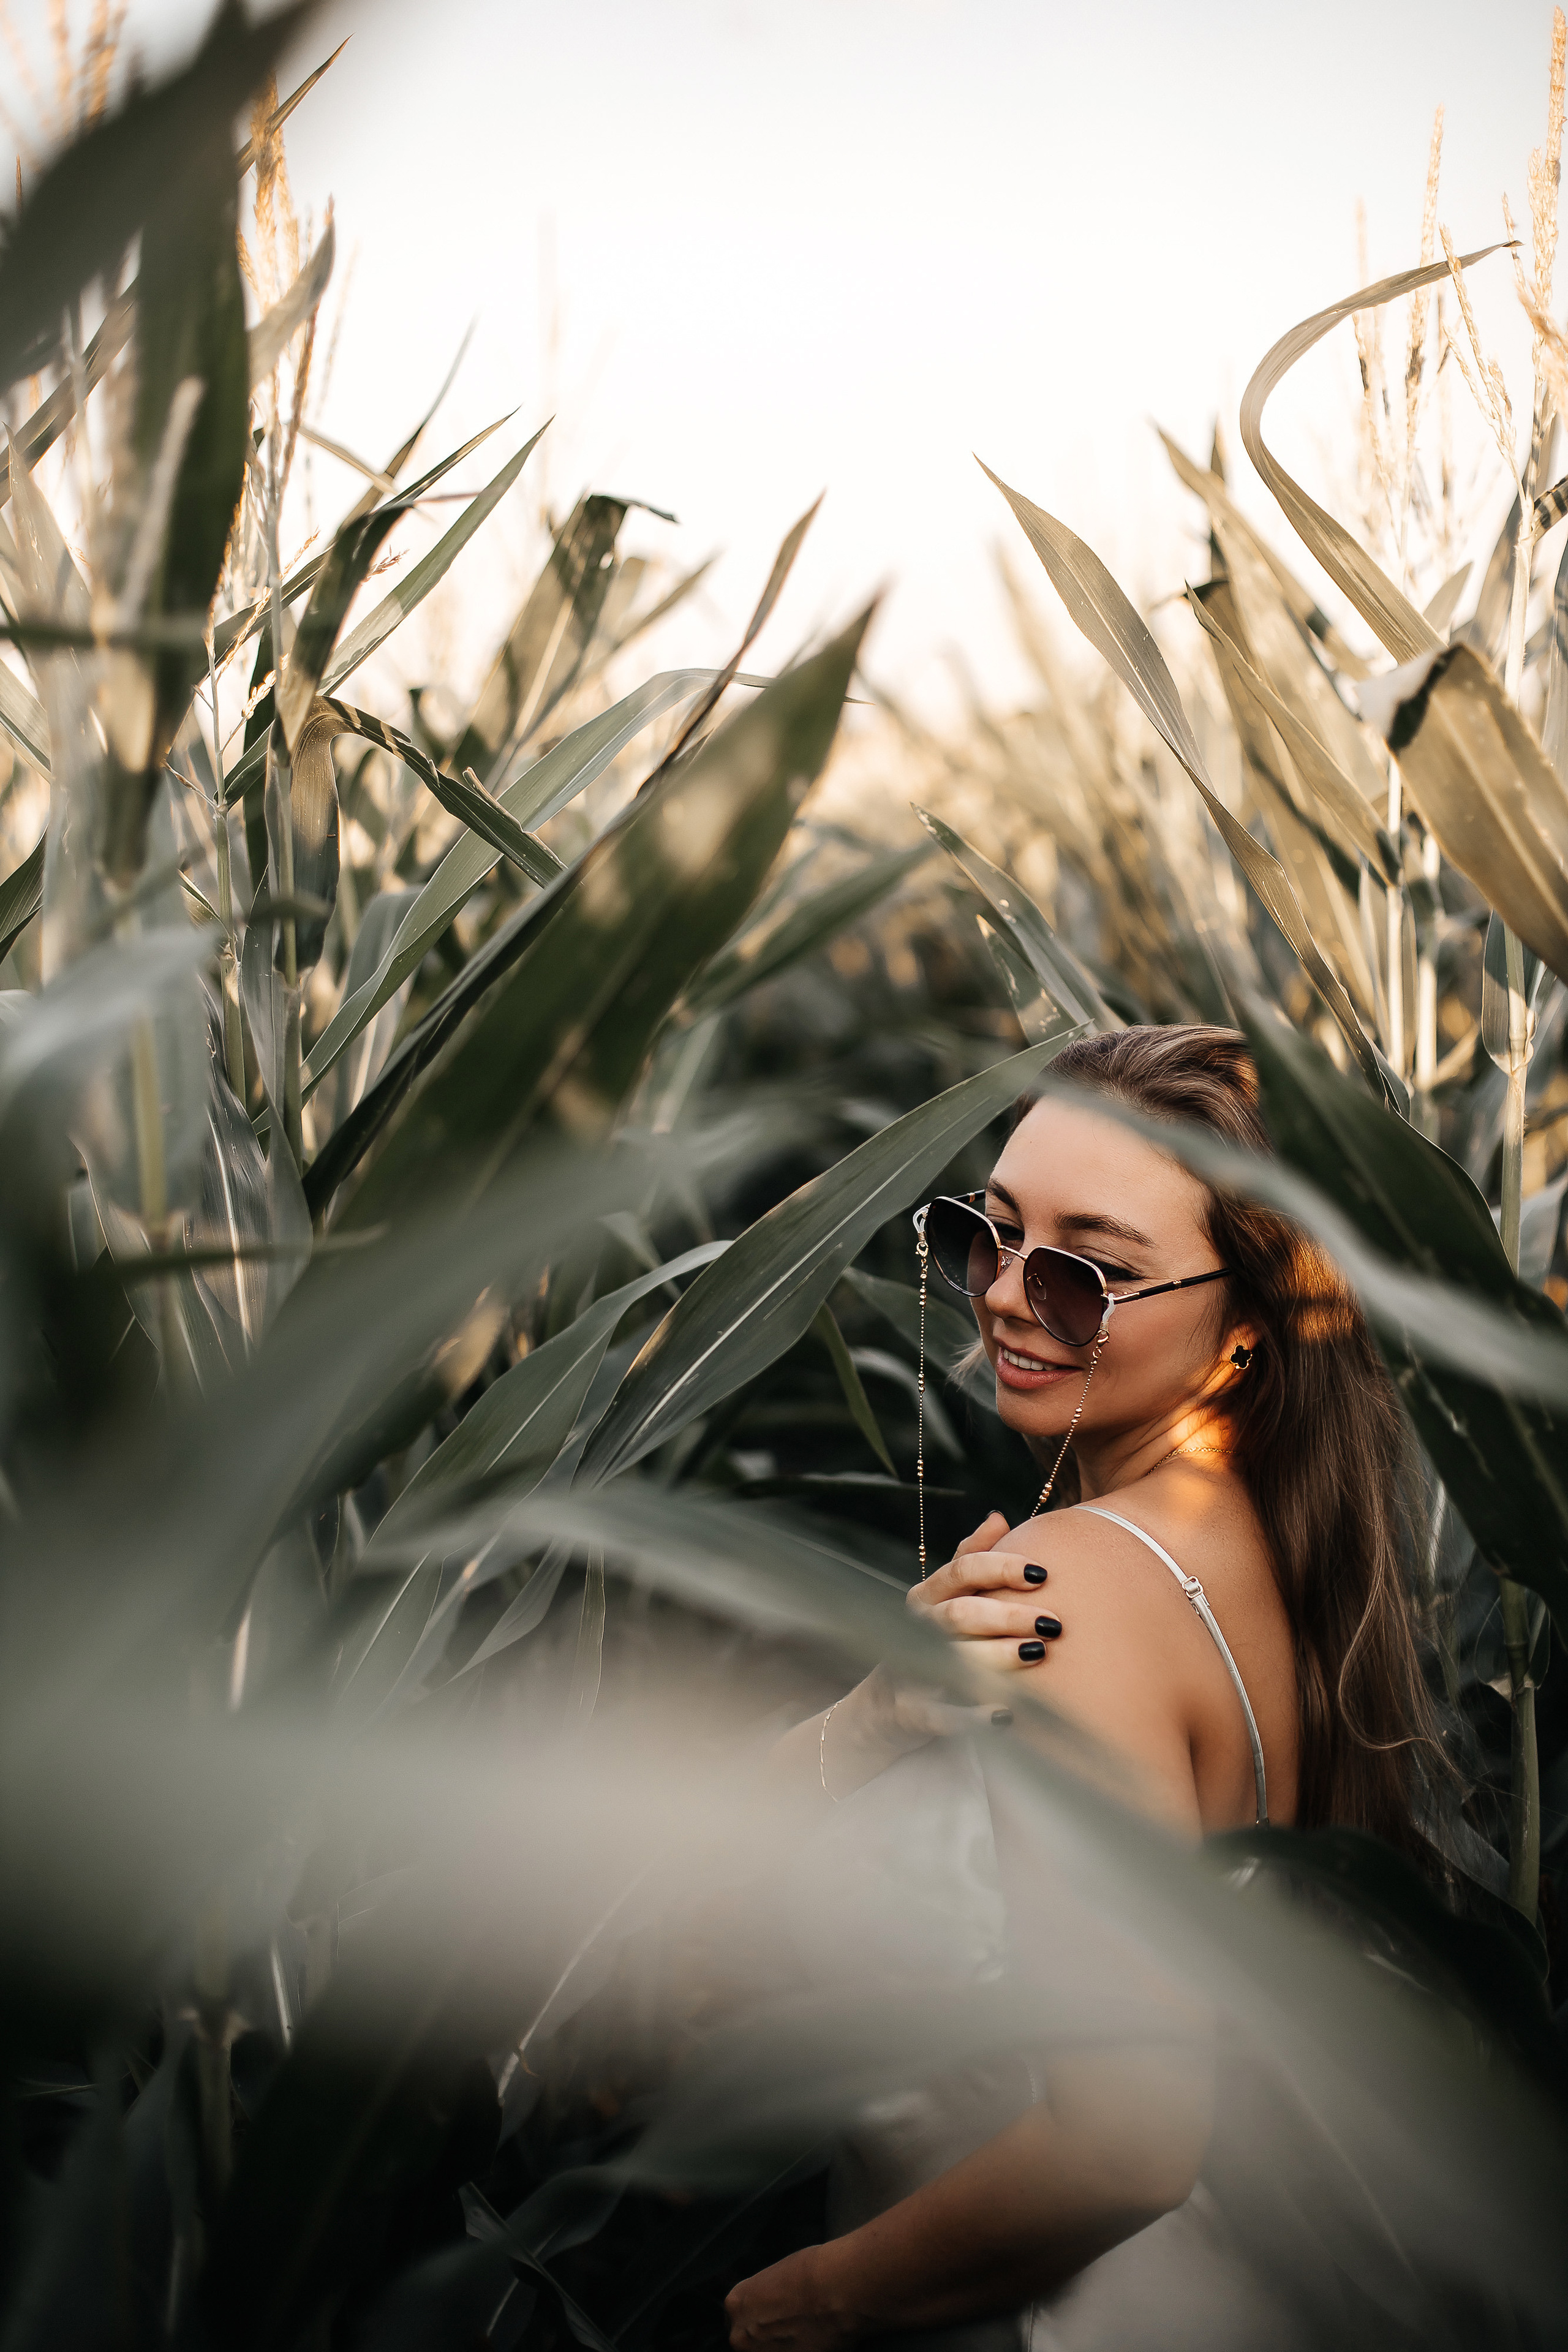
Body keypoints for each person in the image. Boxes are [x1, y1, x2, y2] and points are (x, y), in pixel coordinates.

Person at [723, 1024, 1443, 2351]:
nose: (1004, 1297)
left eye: (1087, 1274)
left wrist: (803, 2304)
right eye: (987, 1235)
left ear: (1248, 1326)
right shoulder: (1278, 1562)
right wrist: (881, 1712)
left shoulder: (1069, 1591)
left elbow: (1121, 2146)